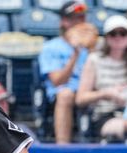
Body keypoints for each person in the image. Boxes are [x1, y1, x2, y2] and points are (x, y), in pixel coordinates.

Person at [75, 15, 127, 141]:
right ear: (107, 37)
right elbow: (80, 98)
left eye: (123, 33)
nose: (118, 37)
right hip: (104, 115)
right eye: (113, 33)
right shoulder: (94, 59)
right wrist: (106, 94)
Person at [37, 1, 98, 144]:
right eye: (74, 18)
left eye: (82, 18)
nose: (79, 23)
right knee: (66, 94)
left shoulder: (92, 45)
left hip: (88, 89)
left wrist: (92, 49)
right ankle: (62, 146)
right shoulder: (51, 47)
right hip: (63, 92)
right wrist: (75, 53)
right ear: (64, 22)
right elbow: (57, 81)